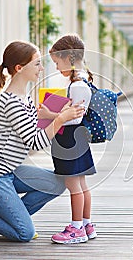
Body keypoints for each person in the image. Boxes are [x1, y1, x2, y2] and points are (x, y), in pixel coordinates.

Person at [0, 40, 85, 242]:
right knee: (24, 233)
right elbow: (35, 142)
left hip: (9, 171)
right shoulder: (11, 102)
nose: (42, 67)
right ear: (20, 68)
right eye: (37, 63)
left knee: (57, 183)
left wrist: (55, 114)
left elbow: (33, 129)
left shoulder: (24, 97)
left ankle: (14, 220)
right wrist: (61, 119)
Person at [39, 34, 97, 244]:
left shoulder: (78, 85)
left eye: (57, 62)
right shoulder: (81, 81)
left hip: (70, 141)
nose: (55, 68)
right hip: (76, 141)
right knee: (81, 185)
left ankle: (76, 228)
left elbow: (73, 119)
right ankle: (87, 224)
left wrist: (48, 116)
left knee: (74, 186)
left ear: (69, 58)